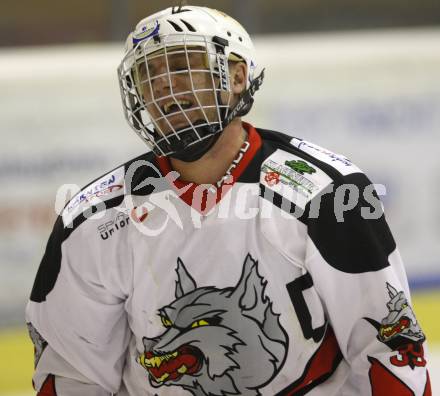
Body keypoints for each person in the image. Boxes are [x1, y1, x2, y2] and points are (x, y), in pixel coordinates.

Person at [26, 4, 432, 396]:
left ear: (237, 77)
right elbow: (71, 374)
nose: (163, 83)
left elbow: (389, 346)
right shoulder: (93, 219)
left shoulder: (327, 194)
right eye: (148, 73)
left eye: (181, 65)